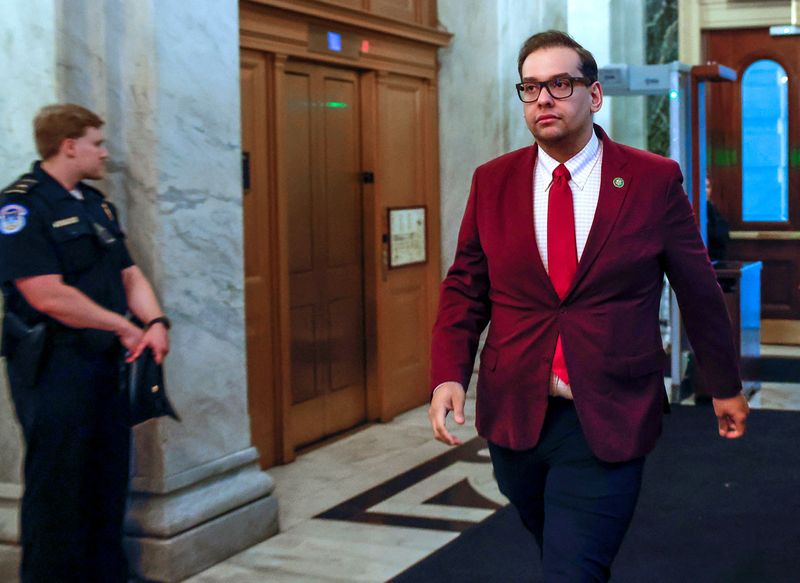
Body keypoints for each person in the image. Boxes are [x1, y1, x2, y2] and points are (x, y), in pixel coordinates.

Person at [428, 31, 749, 582]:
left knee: (572, 569)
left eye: (560, 83)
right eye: (530, 88)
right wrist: (448, 374)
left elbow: (696, 289)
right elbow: (466, 286)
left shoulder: (650, 179)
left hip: (607, 409)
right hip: (516, 411)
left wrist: (723, 384)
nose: (544, 99)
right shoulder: (492, 182)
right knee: (558, 548)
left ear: (594, 95)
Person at [0, 104, 170, 582]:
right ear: (68, 145)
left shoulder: (95, 204)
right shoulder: (20, 206)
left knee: (106, 473)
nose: (106, 152)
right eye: (98, 142)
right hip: (53, 364)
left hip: (102, 363)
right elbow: (45, 293)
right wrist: (121, 326)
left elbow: (129, 272)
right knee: (59, 483)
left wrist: (155, 321)